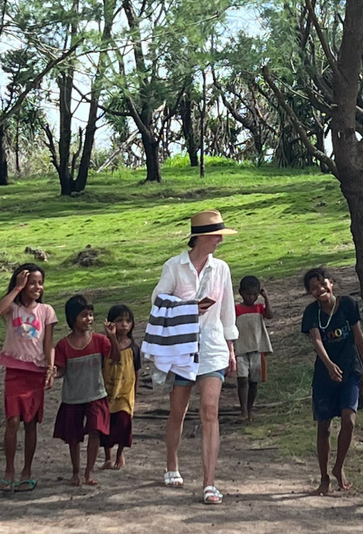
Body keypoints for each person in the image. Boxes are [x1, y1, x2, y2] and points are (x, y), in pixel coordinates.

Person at [152, 209, 238, 505]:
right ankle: (171, 463)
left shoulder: (222, 269)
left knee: (210, 411)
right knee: (178, 411)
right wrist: (188, 307)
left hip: (213, 346)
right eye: (216, 235)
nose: (219, 241)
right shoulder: (174, 266)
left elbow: (228, 309)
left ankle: (209, 483)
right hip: (182, 348)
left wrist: (231, 347)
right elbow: (158, 300)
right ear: (201, 236)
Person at [300, 267, 363, 496]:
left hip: (350, 369)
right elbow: (316, 340)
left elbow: (359, 337)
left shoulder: (348, 304)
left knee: (349, 420)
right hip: (324, 374)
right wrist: (329, 365)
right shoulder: (312, 312)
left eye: (322, 284)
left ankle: (339, 466)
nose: (319, 290)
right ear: (310, 293)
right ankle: (324, 477)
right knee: (324, 426)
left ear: (331, 283)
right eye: (313, 288)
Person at [0, 263, 58, 493]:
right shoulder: (13, 308)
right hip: (14, 371)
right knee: (12, 421)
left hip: (36, 372)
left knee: (31, 423)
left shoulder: (46, 311)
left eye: (40, 283)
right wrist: (16, 289)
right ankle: (9, 469)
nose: (37, 287)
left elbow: (48, 343)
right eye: (32, 282)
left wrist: (50, 368)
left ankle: (27, 471)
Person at [53, 295, 117, 487]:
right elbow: (62, 370)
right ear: (72, 318)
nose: (89, 319)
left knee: (95, 431)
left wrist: (112, 336)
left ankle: (89, 471)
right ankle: (75, 471)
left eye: (91, 315)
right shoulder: (63, 345)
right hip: (72, 398)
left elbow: (115, 357)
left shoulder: (99, 341)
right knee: (73, 437)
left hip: (96, 395)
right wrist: (53, 373)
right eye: (84, 315)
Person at [100, 304, 141, 470]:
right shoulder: (105, 345)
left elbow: (136, 371)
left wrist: (135, 392)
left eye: (128, 321)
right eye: (119, 320)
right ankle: (108, 456)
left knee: (123, 423)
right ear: (111, 323)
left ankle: (120, 454)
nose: (124, 324)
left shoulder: (134, 348)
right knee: (106, 425)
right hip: (107, 391)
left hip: (125, 392)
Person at [234, 275, 273, 421]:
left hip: (257, 348)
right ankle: (243, 410)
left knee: (254, 381)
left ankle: (250, 410)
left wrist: (266, 298)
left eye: (254, 294)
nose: (251, 297)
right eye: (248, 294)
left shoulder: (259, 308)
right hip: (241, 349)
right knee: (242, 379)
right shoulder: (236, 309)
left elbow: (270, 315)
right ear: (241, 293)